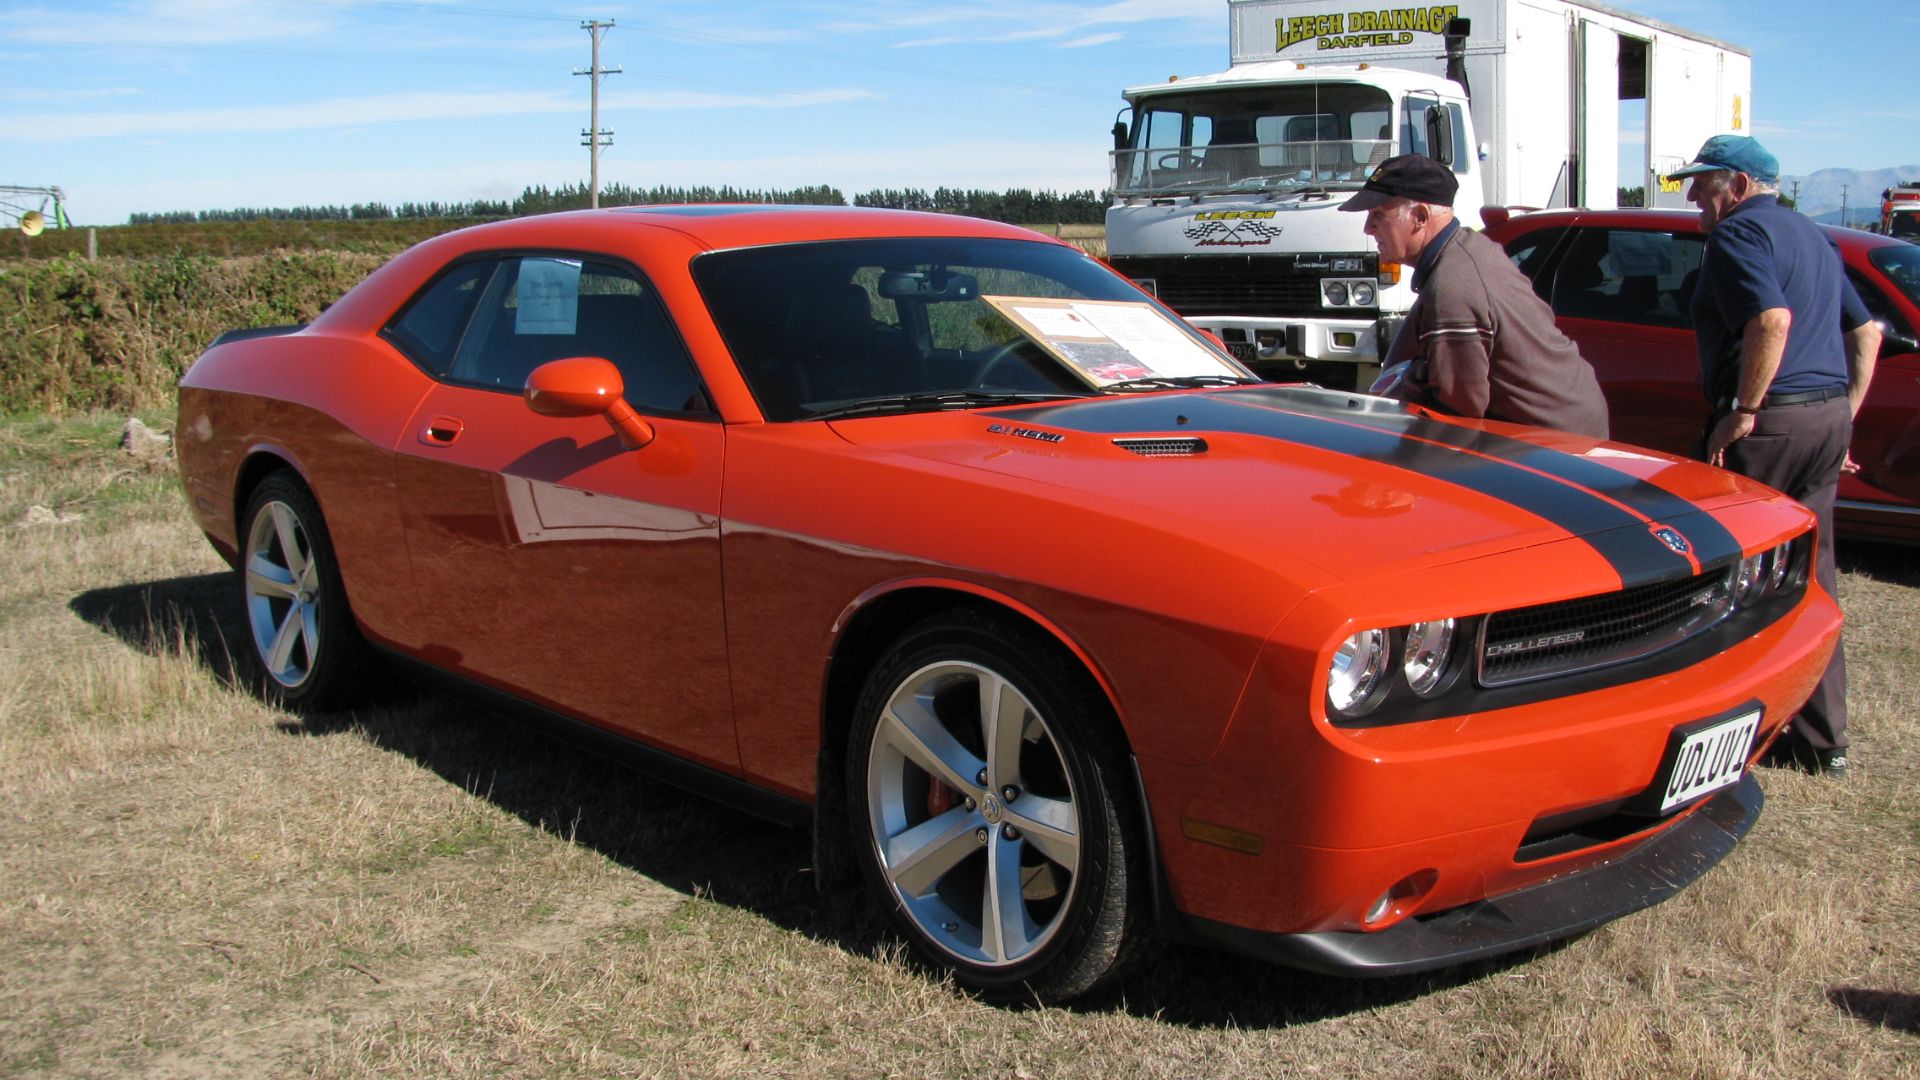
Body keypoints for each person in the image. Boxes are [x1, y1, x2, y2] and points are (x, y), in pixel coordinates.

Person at [1670, 134, 1881, 779]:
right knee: (1813, 574)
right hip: (1821, 419)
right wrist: (1843, 412)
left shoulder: (1736, 237)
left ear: (1736, 184)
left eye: (1702, 183)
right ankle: (1823, 740)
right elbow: (1866, 330)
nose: (1692, 196)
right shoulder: (1815, 237)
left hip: (1771, 422)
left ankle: (1720, 738)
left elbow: (1772, 320)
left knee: (1730, 575)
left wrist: (1746, 411)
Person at [1342, 154, 1610, 439]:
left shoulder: (1453, 285)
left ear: (1420, 217)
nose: (1368, 228)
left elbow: (1456, 412)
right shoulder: (1467, 251)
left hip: (1555, 446)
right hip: (1566, 429)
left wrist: (1413, 379)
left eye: (1378, 215)